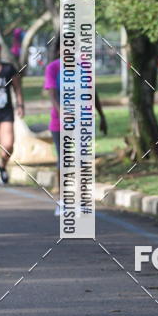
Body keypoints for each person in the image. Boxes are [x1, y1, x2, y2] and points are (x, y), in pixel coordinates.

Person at [44, 37, 108, 215]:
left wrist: (102, 115)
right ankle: (64, 201)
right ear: (59, 50)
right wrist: (63, 112)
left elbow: (92, 92)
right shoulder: (53, 68)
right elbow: (52, 95)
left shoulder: (84, 66)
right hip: (60, 123)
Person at [0, 40, 24, 187]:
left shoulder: (8, 69)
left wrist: (21, 105)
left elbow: (17, 88)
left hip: (6, 111)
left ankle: (2, 165)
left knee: (8, 145)